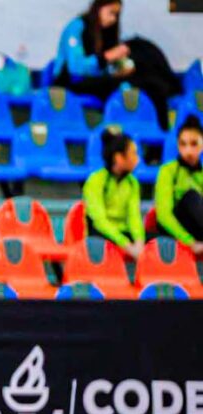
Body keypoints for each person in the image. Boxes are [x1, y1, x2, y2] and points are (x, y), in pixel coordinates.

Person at [52, 0, 181, 130]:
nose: (113, 19)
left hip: (97, 80)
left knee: (148, 83)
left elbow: (105, 70)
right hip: (72, 82)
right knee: (123, 85)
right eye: (111, 13)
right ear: (99, 8)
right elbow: (76, 68)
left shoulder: (105, 32)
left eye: (117, 15)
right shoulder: (76, 27)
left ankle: (163, 132)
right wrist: (107, 57)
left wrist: (119, 70)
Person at [83, 128, 145, 258]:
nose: (138, 159)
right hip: (102, 234)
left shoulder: (133, 183)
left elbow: (134, 216)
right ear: (119, 158)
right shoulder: (95, 181)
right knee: (99, 238)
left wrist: (139, 242)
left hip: (123, 232)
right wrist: (127, 245)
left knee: (157, 241)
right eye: (133, 154)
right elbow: (100, 222)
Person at [154, 115, 203, 255]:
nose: (188, 151)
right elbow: (163, 216)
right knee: (191, 196)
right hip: (174, 230)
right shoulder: (167, 170)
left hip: (197, 228)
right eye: (183, 144)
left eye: (194, 144)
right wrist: (190, 242)